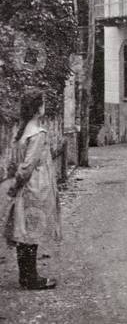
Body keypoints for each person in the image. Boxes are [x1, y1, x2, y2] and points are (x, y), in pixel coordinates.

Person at [4, 88, 61, 290]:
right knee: (31, 232)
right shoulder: (37, 134)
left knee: (24, 231)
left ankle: (25, 276)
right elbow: (27, 166)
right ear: (38, 109)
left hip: (25, 189)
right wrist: (17, 184)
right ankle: (30, 278)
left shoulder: (23, 131)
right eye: (43, 103)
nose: (44, 106)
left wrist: (15, 185)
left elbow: (15, 162)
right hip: (35, 188)